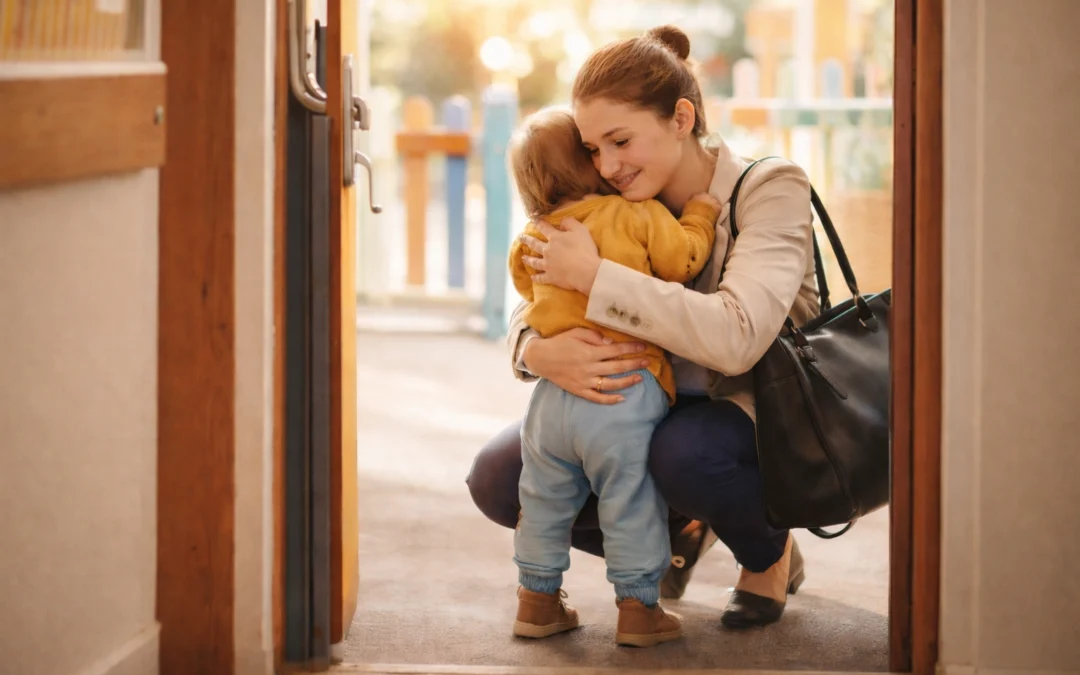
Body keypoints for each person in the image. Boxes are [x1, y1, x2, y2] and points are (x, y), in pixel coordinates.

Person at [467, 24, 820, 630]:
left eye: (620, 140)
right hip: (639, 398)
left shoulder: (768, 187)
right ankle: (683, 527)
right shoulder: (614, 207)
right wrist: (534, 350)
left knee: (681, 457)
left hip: (738, 405)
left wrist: (598, 278)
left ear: (681, 118)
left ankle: (768, 549)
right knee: (500, 477)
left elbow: (736, 339)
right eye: (591, 148)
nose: (606, 165)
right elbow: (537, 299)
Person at [505, 106, 720, 647]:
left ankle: (536, 600)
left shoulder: (533, 235)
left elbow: (528, 295)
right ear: (589, 161)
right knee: (630, 497)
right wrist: (699, 213)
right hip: (624, 389)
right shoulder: (635, 214)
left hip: (553, 400)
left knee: (543, 497)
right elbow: (684, 260)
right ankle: (638, 610)